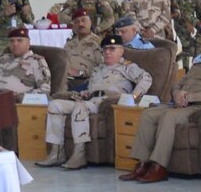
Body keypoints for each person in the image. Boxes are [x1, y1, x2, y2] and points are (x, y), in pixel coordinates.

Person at [125, 27, 201, 184]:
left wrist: (189, 97)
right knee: (148, 114)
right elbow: (177, 85)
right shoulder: (197, 67)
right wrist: (177, 94)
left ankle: (159, 167)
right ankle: (143, 164)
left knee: (168, 117)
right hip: (182, 105)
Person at [36, 35, 152, 170]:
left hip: (107, 103)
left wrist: (134, 96)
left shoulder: (127, 67)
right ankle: (56, 153)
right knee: (55, 105)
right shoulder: (98, 69)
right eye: (105, 50)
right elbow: (92, 87)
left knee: (80, 107)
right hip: (90, 101)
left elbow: (146, 79)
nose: (107, 52)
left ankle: (79, 154)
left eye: (112, 49)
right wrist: (87, 92)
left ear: (121, 51)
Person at [0, 26, 52, 96]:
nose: (15, 44)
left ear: (28, 43)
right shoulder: (3, 59)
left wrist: (20, 97)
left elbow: (45, 90)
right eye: (12, 41)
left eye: (19, 40)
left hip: (14, 102)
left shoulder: (36, 61)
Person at [171, 0, 201, 64]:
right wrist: (189, 24)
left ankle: (183, 66)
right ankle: (183, 68)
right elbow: (182, 11)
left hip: (184, 24)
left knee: (187, 48)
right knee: (187, 48)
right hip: (181, 25)